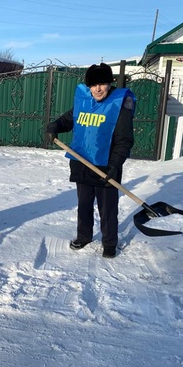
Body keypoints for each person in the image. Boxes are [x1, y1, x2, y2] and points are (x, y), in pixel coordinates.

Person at [46, 63, 135, 258]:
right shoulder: (84, 101)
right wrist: (55, 126)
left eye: (102, 83)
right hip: (82, 162)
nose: (98, 89)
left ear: (109, 84)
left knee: (107, 209)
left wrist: (115, 165)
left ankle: (110, 243)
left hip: (106, 166)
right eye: (93, 85)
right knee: (84, 204)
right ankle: (84, 236)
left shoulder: (118, 106)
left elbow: (124, 140)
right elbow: (68, 120)